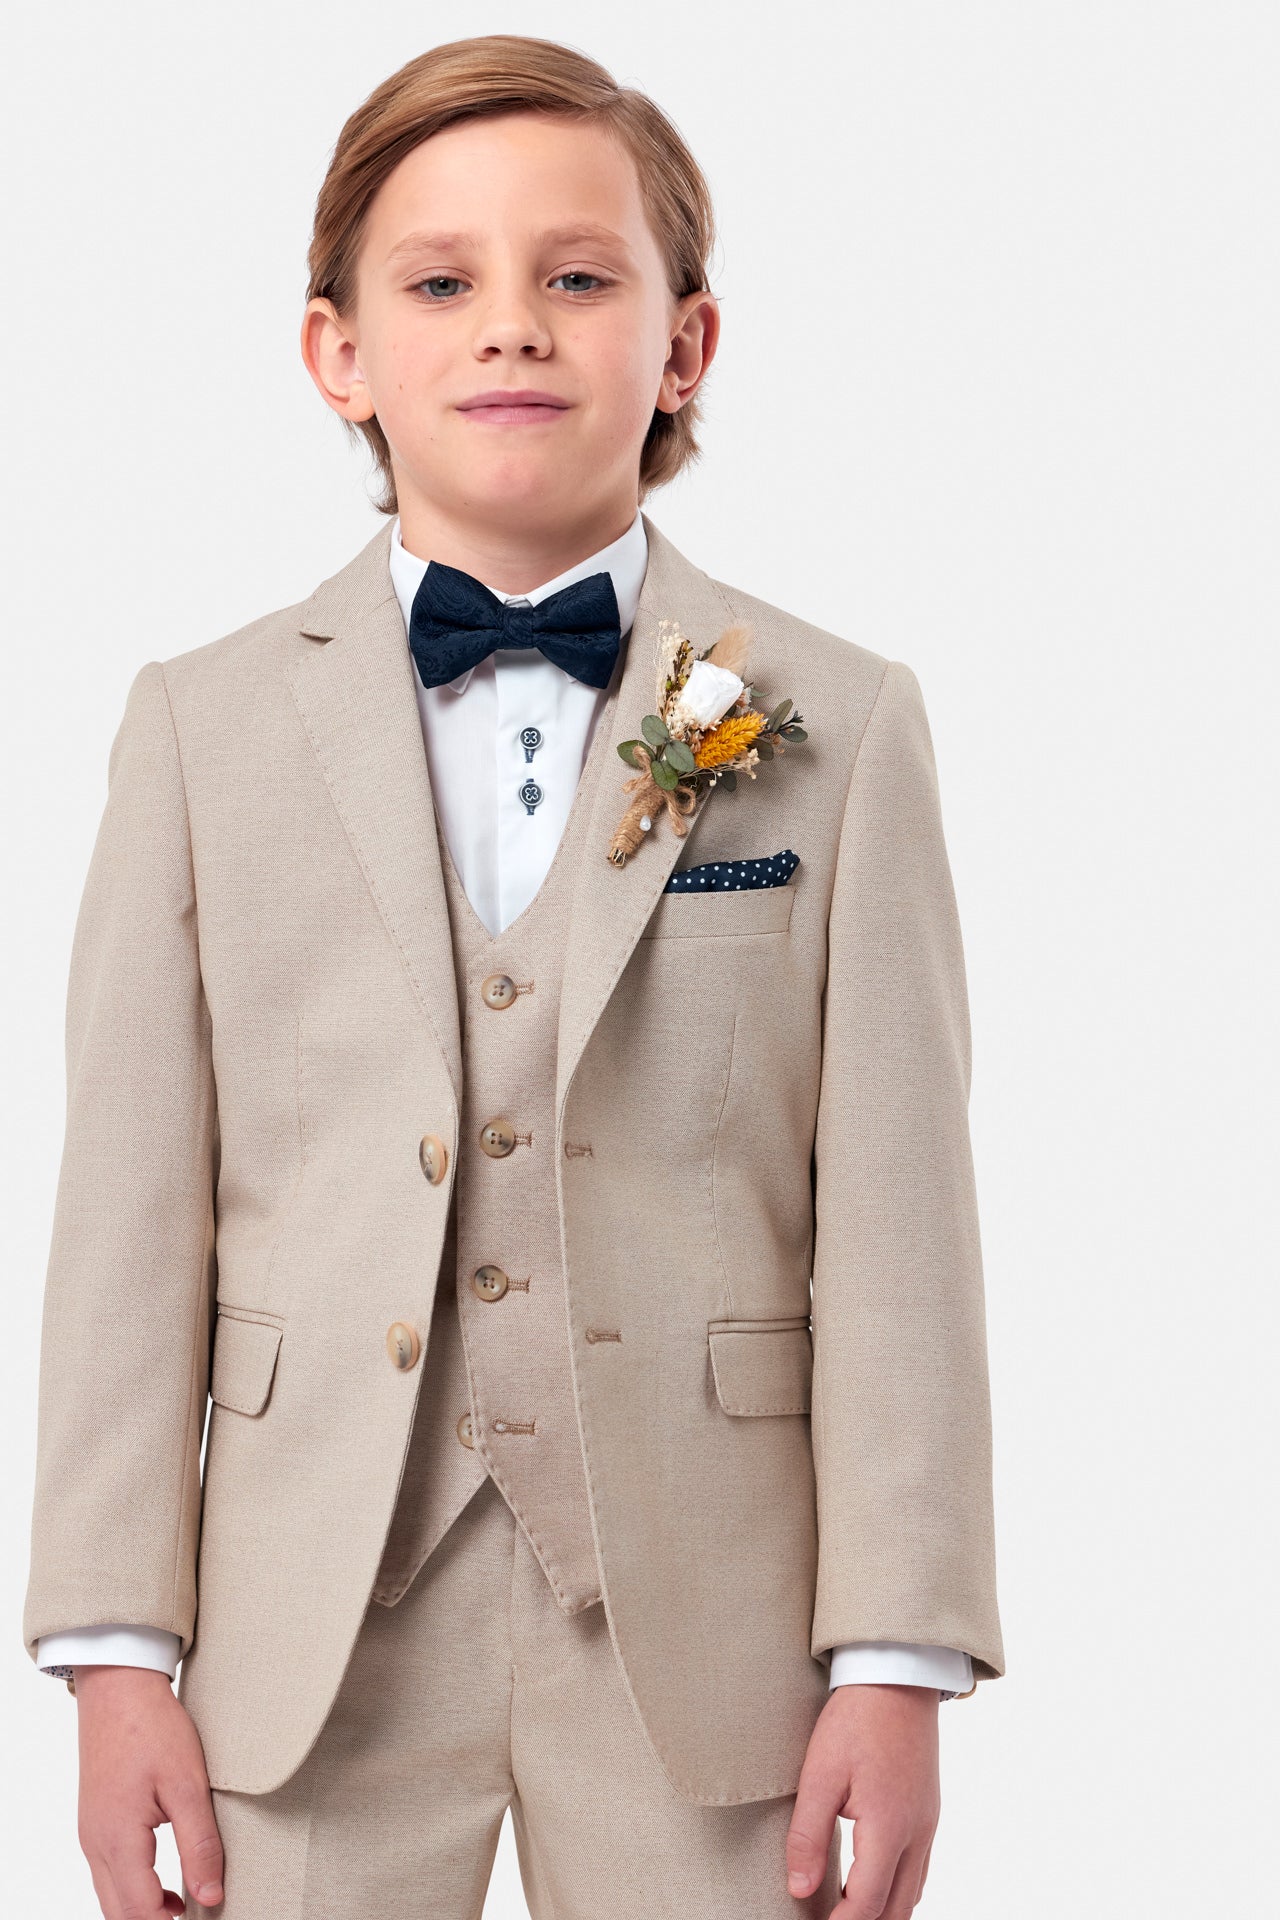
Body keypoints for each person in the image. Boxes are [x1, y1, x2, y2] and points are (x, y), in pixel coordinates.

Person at [22, 33, 1005, 1920]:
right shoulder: (198, 728)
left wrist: (898, 1654)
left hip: (717, 1633)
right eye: (442, 281)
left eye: (578, 276)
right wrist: (108, 1643)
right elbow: (128, 1216)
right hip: (302, 1630)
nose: (513, 330)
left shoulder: (837, 722)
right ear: (339, 351)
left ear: (686, 343)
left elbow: (898, 1218)